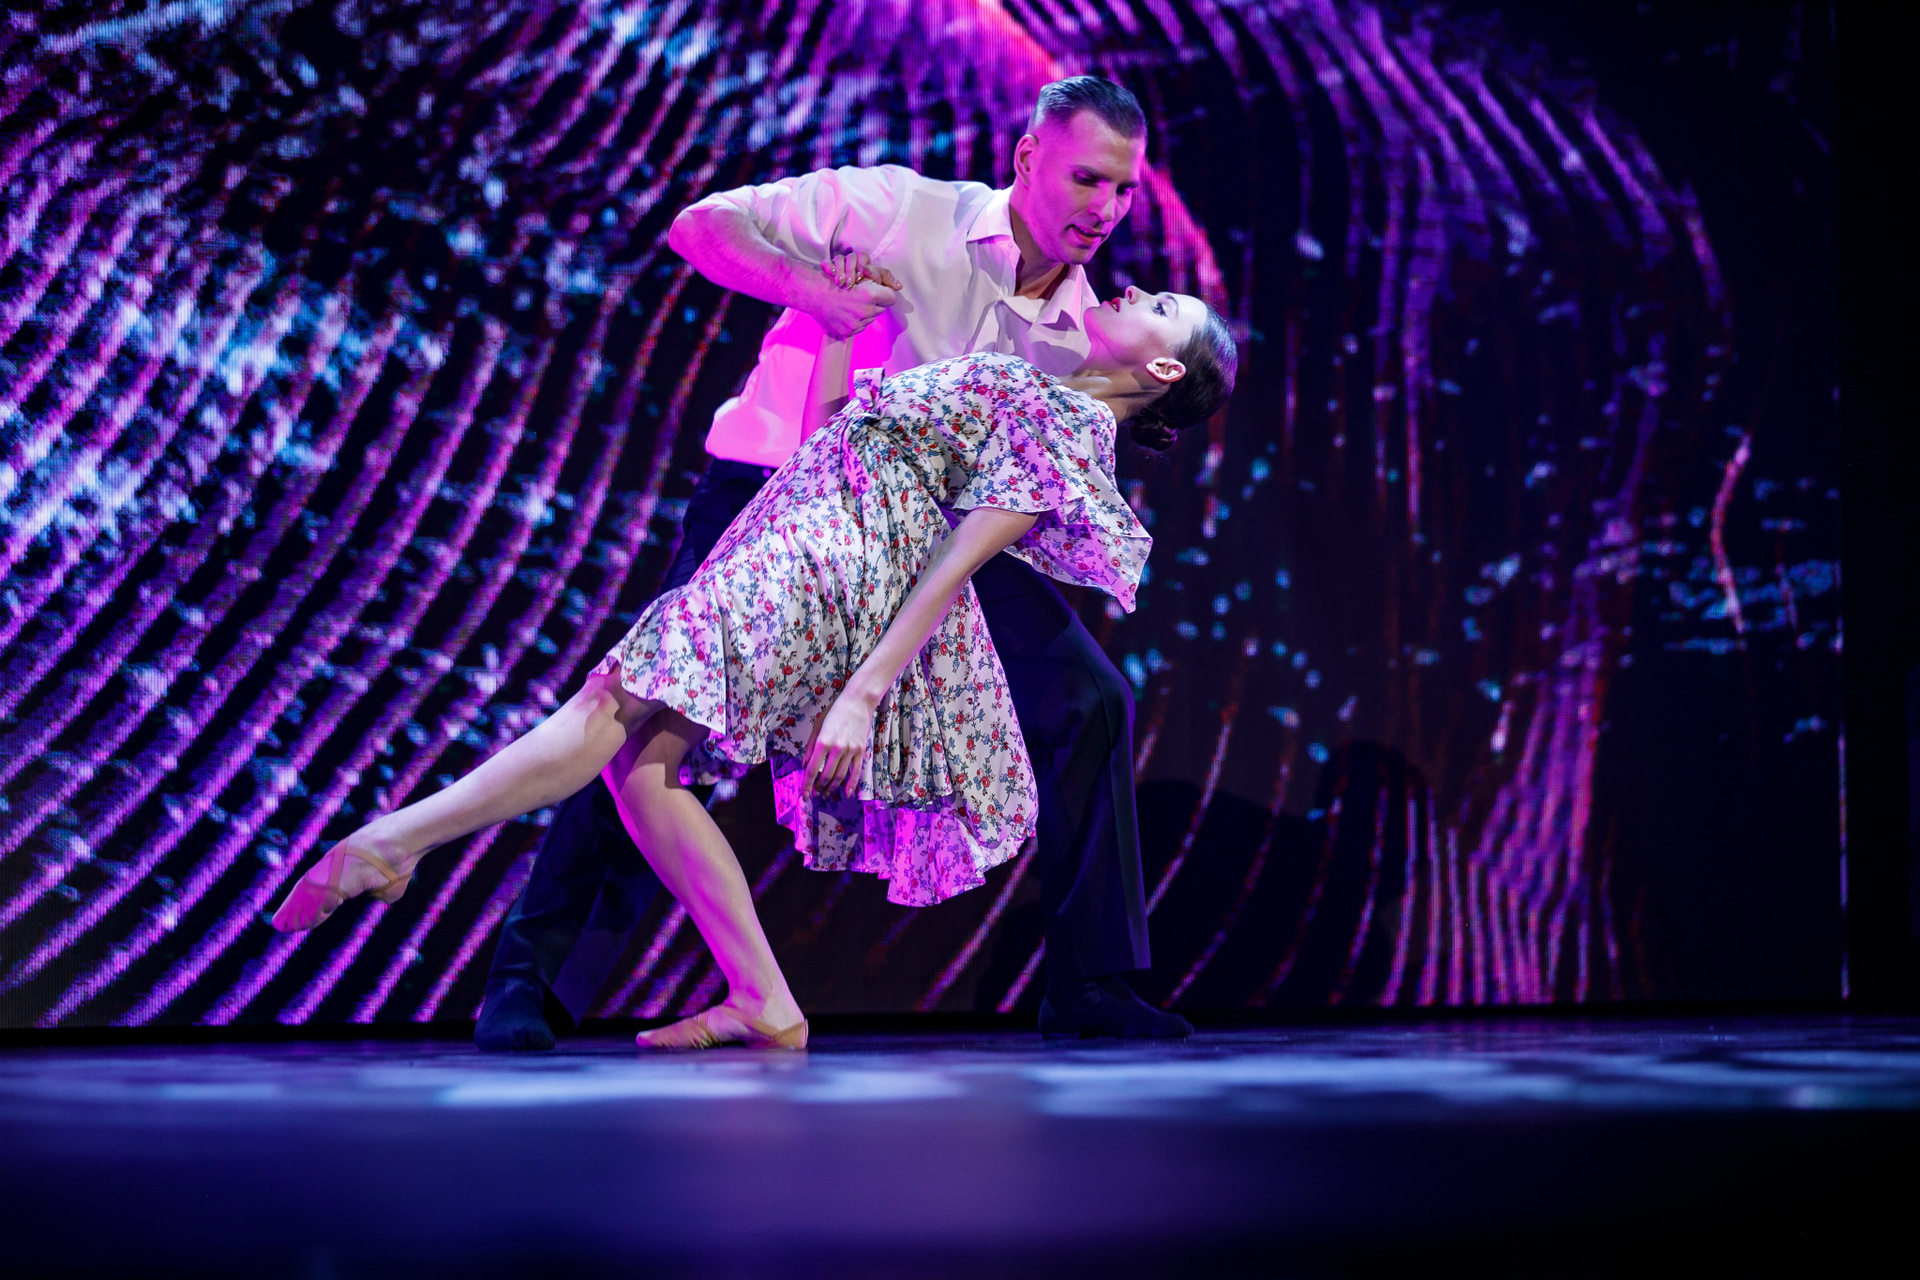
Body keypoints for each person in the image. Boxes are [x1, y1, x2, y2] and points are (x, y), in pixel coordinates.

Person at [269, 284, 1239, 1056]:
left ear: (1161, 367)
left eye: (1160, 306)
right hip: (799, 527)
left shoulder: (1069, 429)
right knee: (641, 761)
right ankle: (762, 998)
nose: (1134, 291)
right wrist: (836, 334)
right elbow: (854, 436)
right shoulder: (1037, 389)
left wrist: (861, 696)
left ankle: (391, 844)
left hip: (828, 559)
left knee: (615, 706)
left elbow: (959, 561)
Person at [476, 74, 1214, 1048]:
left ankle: (1091, 986)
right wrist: (811, 294)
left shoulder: (1086, 335)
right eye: (1087, 179)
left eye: (1122, 189)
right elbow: (703, 227)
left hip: (926, 536)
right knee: (646, 719)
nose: (1106, 209)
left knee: (1091, 699)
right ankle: (532, 981)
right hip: (777, 496)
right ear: (1029, 157)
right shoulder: (904, 209)